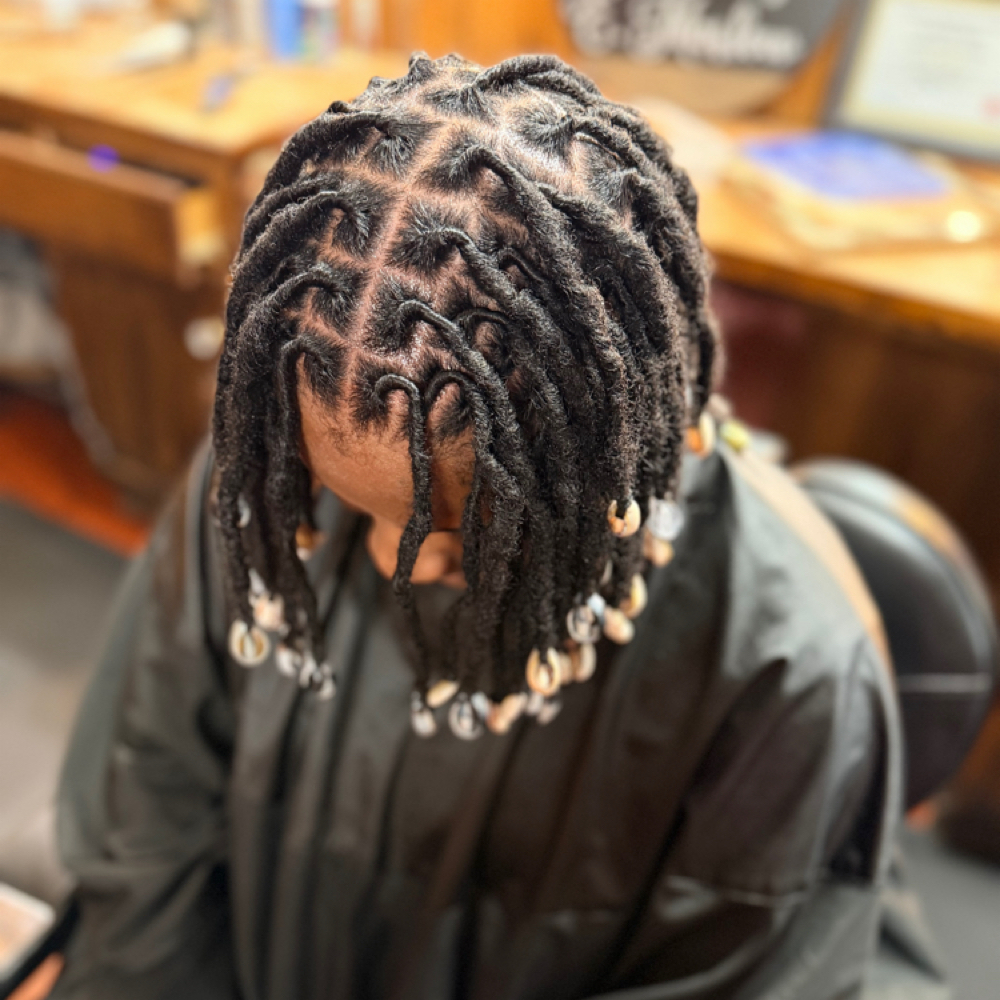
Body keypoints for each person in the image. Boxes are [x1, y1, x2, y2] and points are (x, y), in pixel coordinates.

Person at [38, 53, 946, 1000]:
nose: (392, 563)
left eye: (454, 534)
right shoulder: (270, 480)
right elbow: (149, 817)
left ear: (608, 454)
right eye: (353, 510)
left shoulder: (781, 669)